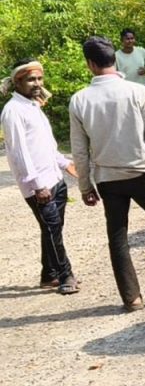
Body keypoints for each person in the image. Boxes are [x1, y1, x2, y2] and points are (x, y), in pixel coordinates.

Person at [70, 36, 145, 311]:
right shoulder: (137, 92)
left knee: (117, 235)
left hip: (108, 180)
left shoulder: (79, 100)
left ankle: (132, 298)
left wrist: (85, 186)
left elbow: (80, 151)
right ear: (115, 58)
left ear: (90, 64)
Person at [1, 60, 80, 295]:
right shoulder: (12, 111)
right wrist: (37, 185)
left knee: (52, 230)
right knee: (52, 229)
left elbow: (44, 146)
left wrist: (65, 164)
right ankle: (66, 275)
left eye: (39, 79)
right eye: (30, 80)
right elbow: (18, 153)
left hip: (55, 178)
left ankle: (49, 274)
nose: (37, 84)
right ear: (18, 82)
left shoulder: (33, 106)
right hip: (39, 186)